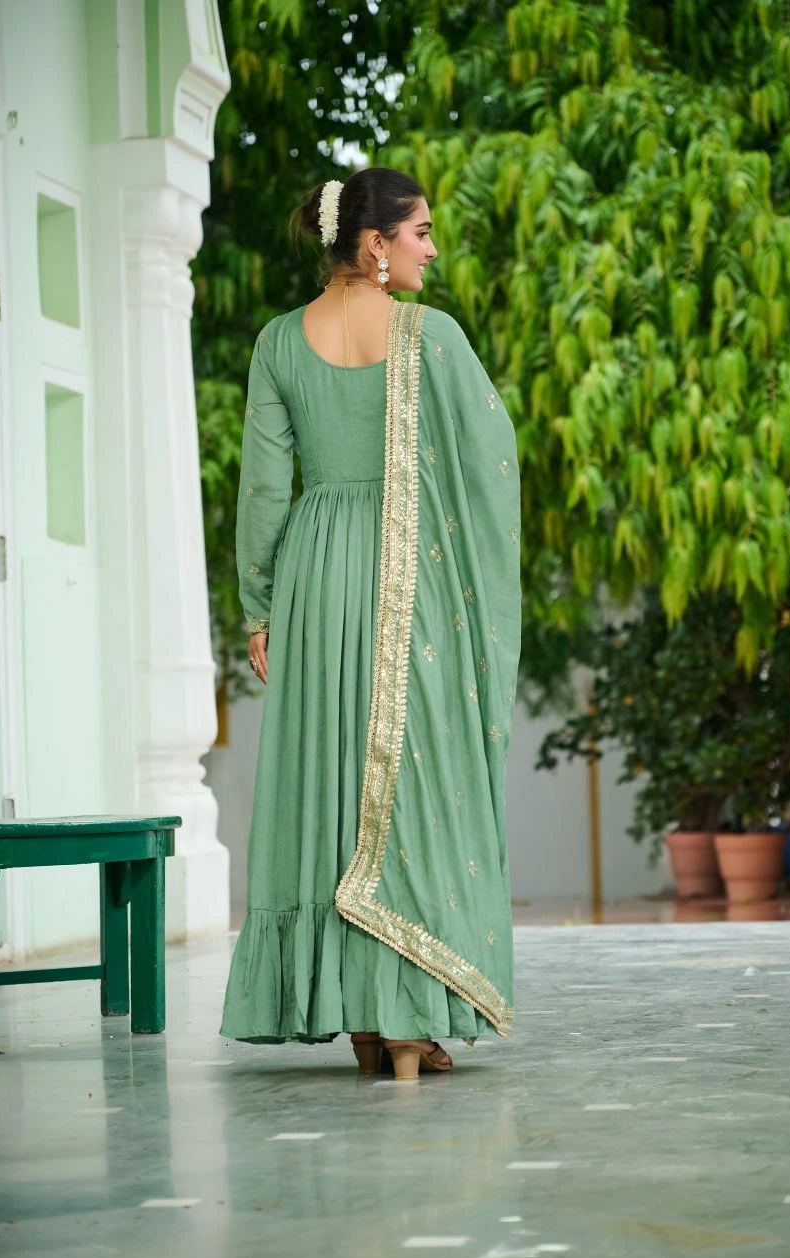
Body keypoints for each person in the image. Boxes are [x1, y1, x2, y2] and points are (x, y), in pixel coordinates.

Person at [220, 167, 521, 1080]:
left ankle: (356, 1014)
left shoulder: (279, 342)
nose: (433, 247)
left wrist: (259, 606)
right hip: (407, 576)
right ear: (374, 243)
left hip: (316, 574)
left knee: (331, 780)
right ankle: (405, 1019)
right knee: (412, 786)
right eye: (420, 231)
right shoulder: (432, 339)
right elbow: (490, 463)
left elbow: (264, 491)